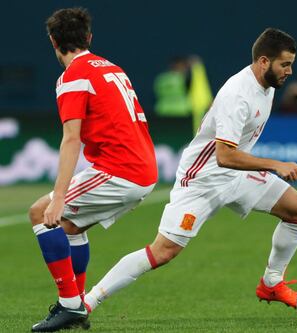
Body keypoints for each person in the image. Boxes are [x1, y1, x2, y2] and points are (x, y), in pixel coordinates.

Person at [84, 28, 297, 317]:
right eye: (285, 64)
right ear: (264, 61)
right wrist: (275, 164)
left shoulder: (267, 85)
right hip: (202, 180)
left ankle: (271, 283)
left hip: (236, 176)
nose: (290, 71)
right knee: (163, 251)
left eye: (291, 64)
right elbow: (225, 155)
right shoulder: (238, 94)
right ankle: (88, 301)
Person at [29, 7, 158, 332]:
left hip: (121, 170)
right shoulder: (111, 67)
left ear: (52, 41)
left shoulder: (73, 76)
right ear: (89, 37)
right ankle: (76, 305)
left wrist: (58, 196)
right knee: (71, 227)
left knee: (40, 212)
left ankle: (71, 305)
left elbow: (71, 139)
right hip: (143, 168)